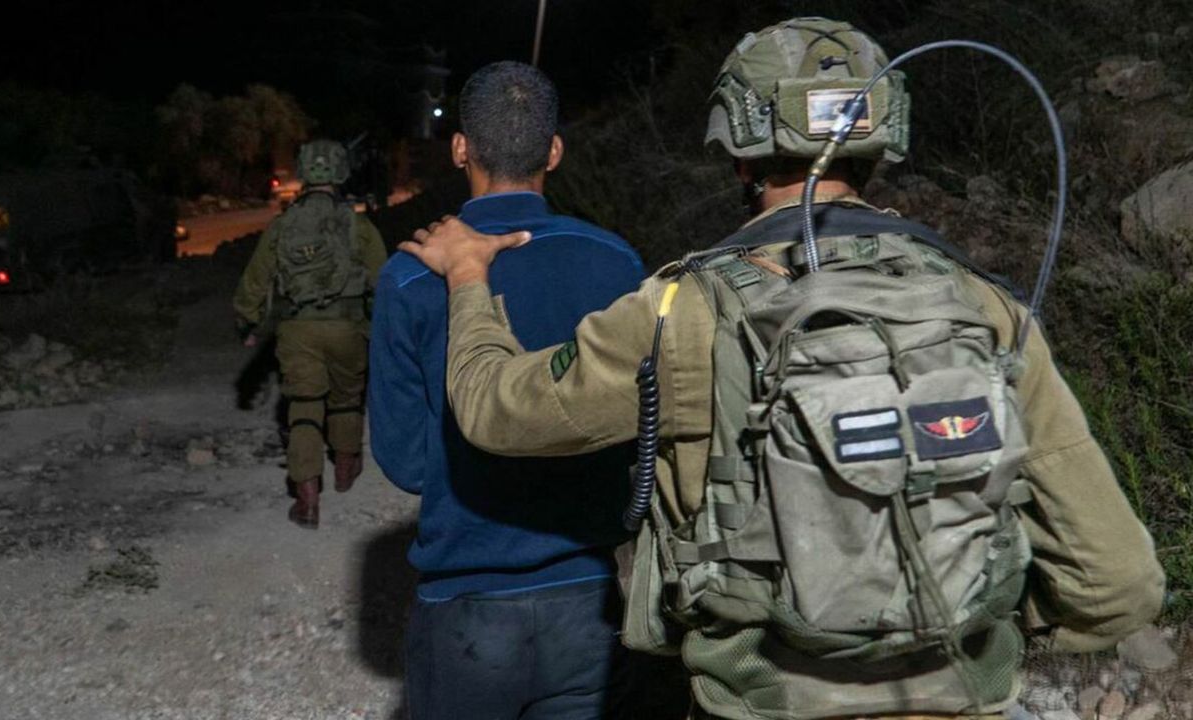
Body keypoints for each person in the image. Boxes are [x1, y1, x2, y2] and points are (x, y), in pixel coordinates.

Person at [397, 19, 1166, 720]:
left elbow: (497, 411)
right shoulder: (983, 307)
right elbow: (1118, 582)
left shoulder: (681, 309)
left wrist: (468, 277)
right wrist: (967, 620)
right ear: (880, 143)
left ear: (739, 150)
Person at [368, 61, 646, 720]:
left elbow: (407, 464)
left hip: (466, 610)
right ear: (554, 151)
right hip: (588, 603)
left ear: (460, 148)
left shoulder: (411, 278)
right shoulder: (618, 263)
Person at [233, 139, 386, 528]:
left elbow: (256, 280)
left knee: (304, 406)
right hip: (348, 327)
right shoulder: (358, 225)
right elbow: (383, 281)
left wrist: (248, 322)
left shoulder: (283, 225)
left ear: (303, 173)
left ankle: (307, 500)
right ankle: (346, 471)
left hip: (298, 329)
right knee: (347, 399)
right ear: (341, 173)